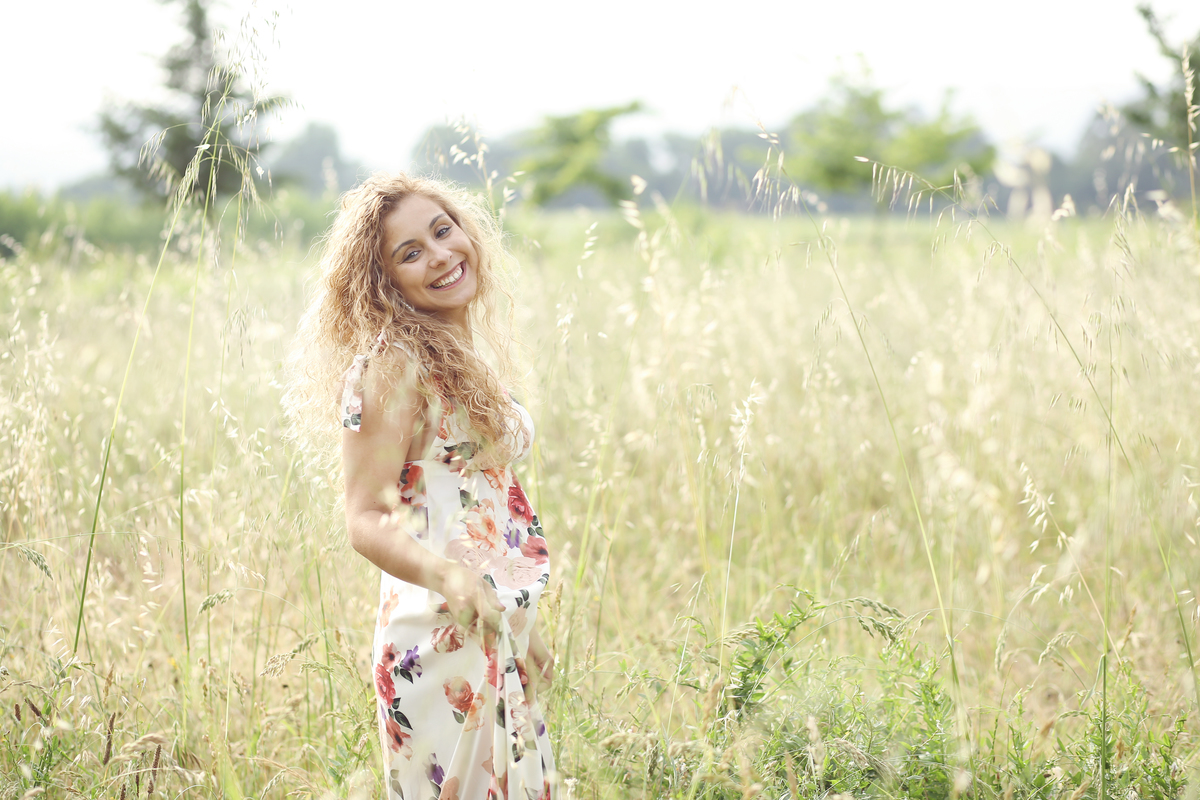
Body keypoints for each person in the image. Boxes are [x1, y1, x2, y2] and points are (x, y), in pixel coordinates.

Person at [286, 173, 556, 800]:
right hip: (435, 639)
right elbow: (365, 518)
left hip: (492, 626)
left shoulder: (461, 351)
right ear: (384, 283)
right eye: (410, 253)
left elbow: (478, 500)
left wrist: (520, 623)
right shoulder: (392, 364)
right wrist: (452, 580)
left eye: (442, 230)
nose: (439, 254)